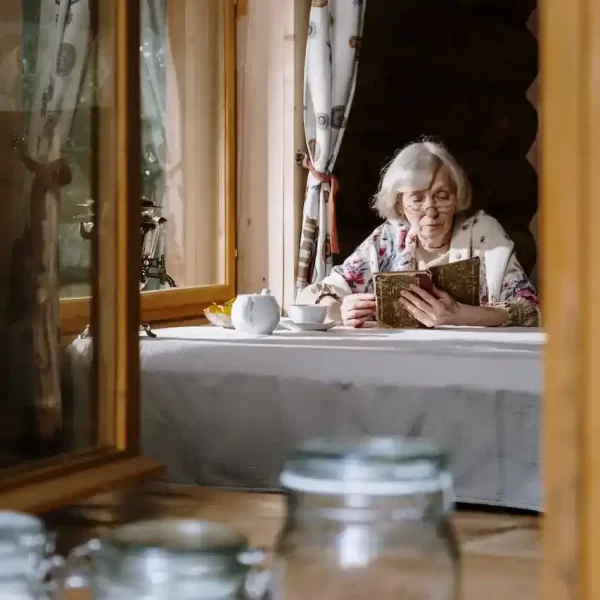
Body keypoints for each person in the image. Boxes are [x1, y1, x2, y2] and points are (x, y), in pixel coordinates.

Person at [297, 141, 540, 328]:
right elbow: (312, 295)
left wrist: (461, 315)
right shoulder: (390, 237)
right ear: (400, 205)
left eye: (442, 196)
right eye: (417, 199)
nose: (430, 211)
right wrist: (340, 310)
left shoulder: (483, 233)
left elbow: (529, 310)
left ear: (456, 200)